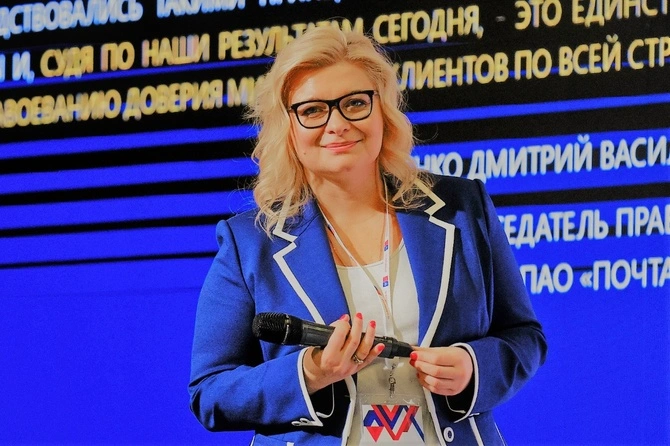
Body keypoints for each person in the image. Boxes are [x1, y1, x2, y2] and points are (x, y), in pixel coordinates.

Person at [189, 26, 547, 445]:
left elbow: (525, 336)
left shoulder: (464, 208)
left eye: (355, 103)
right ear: (288, 127)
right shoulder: (250, 243)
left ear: (383, 112)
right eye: (313, 111)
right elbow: (210, 392)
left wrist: (474, 367)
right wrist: (310, 373)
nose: (337, 124)